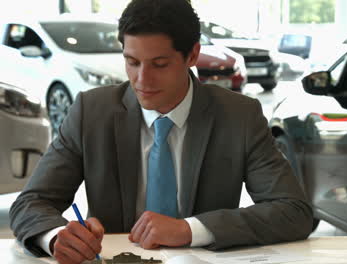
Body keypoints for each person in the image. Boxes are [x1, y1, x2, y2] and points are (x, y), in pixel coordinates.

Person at [9, 0, 314, 263]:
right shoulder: (91, 112)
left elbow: (293, 212)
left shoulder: (239, 116)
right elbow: (30, 203)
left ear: (192, 55)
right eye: (132, 62)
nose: (142, 79)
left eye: (160, 64)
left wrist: (190, 229)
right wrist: (56, 236)